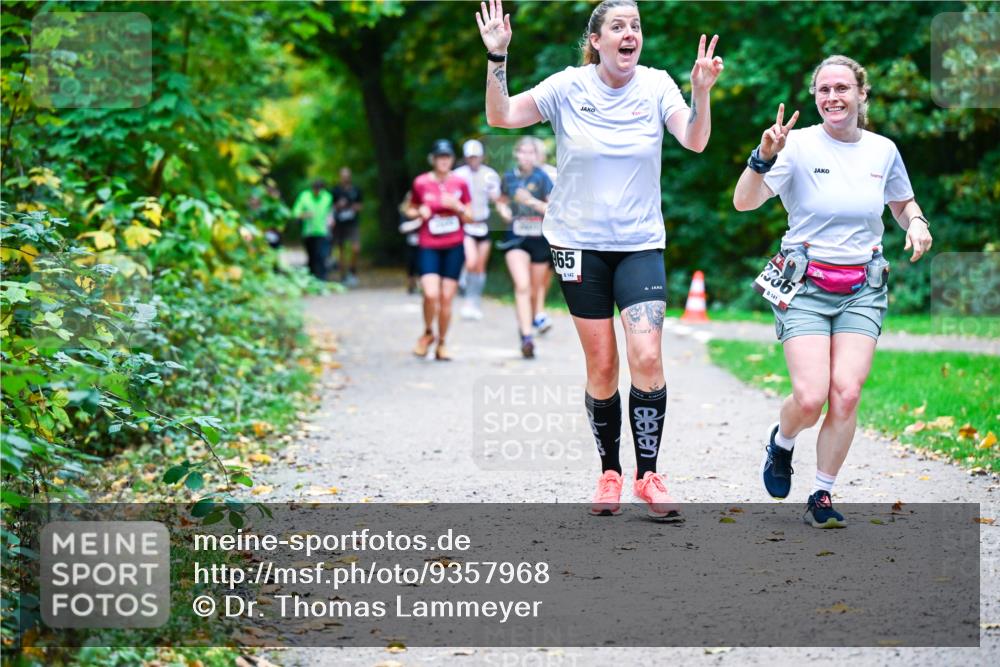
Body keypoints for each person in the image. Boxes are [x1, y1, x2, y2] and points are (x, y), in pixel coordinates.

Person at [477, 0, 723, 518]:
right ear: (597, 40)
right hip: (577, 243)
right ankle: (610, 471)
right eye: (618, 26)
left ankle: (649, 474)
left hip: (639, 243)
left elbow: (695, 141)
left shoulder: (656, 85)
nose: (629, 33)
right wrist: (498, 57)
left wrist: (700, 93)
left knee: (648, 356)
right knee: (604, 364)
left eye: (635, 26)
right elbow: (500, 116)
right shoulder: (568, 86)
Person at [732, 55, 933, 528]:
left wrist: (917, 223)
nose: (832, 97)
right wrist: (763, 156)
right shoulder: (796, 146)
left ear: (862, 94)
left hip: (863, 286)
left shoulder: (882, 150)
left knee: (845, 393)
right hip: (803, 283)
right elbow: (743, 202)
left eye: (842, 88)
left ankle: (821, 494)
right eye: (823, 90)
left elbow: (901, 202)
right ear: (815, 97)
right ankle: (780, 443)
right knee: (810, 397)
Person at [404, 139, 473, 361]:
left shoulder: (460, 183)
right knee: (430, 293)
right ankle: (427, 333)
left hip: (454, 246)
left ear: (452, 159)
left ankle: (442, 343)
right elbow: (410, 209)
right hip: (429, 245)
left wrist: (458, 207)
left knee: (446, 297)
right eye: (439, 157)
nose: (444, 161)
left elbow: (471, 217)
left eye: (447, 157)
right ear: (433, 159)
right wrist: (419, 212)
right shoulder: (421, 183)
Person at [496, 137, 554, 358]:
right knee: (522, 286)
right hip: (516, 238)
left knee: (534, 290)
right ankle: (527, 337)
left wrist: (530, 202)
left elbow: (553, 209)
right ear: (516, 154)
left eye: (531, 153)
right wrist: (503, 211)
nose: (526, 156)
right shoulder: (509, 177)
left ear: (536, 155)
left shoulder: (543, 177)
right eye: (522, 152)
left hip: (539, 240)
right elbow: (501, 200)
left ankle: (528, 324)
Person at [453, 139, 502, 320]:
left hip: (483, 223)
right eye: (470, 157)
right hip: (465, 224)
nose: (473, 160)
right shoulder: (457, 175)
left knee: (480, 266)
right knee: (471, 261)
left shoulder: (490, 175)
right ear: (466, 157)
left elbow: (497, 198)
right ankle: (466, 293)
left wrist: (495, 197)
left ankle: (474, 302)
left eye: (476, 156)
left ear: (482, 157)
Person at [530, 136, 557, 335]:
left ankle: (537, 311)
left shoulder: (553, 173)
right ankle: (537, 314)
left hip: (553, 232)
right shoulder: (521, 175)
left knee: (546, 277)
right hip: (530, 232)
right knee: (535, 278)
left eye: (535, 153)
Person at [291, 178, 333, 280]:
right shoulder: (304, 196)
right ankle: (312, 278)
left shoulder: (327, 197)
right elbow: (295, 213)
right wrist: (305, 215)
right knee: (312, 257)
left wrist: (331, 219)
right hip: (309, 232)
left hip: (323, 231)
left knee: (322, 256)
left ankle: (323, 279)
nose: (317, 192)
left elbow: (330, 211)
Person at [331, 167, 363, 287]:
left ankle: (352, 271)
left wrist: (355, 207)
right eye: (343, 176)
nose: (345, 178)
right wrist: (338, 206)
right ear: (340, 177)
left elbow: (361, 205)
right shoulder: (335, 190)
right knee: (341, 251)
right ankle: (343, 276)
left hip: (352, 223)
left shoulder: (356, 190)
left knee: (356, 248)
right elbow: (331, 206)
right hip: (339, 224)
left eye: (347, 176)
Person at [398, 190, 422, 295]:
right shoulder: (405, 213)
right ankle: (411, 285)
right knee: (410, 265)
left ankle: (421, 285)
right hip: (410, 243)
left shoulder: (423, 211)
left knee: (421, 264)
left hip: (423, 243)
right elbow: (402, 228)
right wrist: (418, 223)